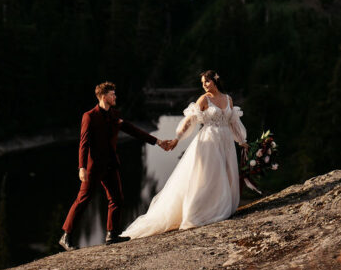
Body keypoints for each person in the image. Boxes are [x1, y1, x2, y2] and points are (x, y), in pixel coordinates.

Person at [123, 70, 248, 239]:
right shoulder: (204, 100)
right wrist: (176, 139)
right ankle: (199, 212)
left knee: (225, 173)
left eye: (207, 82)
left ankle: (222, 207)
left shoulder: (228, 99)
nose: (204, 85)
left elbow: (233, 122)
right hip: (209, 141)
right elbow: (190, 121)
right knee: (209, 175)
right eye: (202, 82)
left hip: (226, 142)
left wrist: (242, 141)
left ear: (216, 81)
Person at [59, 81, 174, 250]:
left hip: (111, 165)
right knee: (83, 200)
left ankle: (111, 235)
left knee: (117, 199)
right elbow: (84, 143)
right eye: (112, 94)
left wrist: (157, 141)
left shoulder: (115, 115)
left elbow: (133, 130)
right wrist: (81, 167)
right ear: (104, 96)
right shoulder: (89, 116)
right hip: (93, 167)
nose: (115, 97)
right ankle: (66, 236)